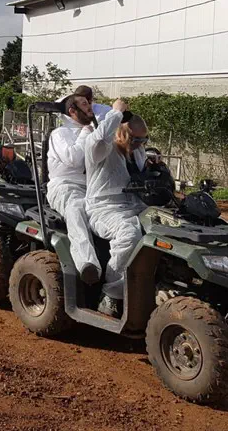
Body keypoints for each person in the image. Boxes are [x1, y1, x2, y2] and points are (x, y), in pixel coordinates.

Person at [84, 99, 146, 316]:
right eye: (136, 139)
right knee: (129, 234)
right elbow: (99, 137)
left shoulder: (136, 152)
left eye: (144, 139)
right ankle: (110, 294)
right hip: (104, 208)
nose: (140, 143)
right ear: (120, 133)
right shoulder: (102, 149)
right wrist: (116, 112)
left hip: (133, 206)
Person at [46, 93, 102, 285]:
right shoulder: (60, 134)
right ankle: (87, 264)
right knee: (76, 207)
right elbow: (75, 160)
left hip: (92, 188)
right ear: (72, 111)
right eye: (85, 104)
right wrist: (87, 132)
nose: (90, 108)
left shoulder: (95, 131)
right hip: (64, 187)